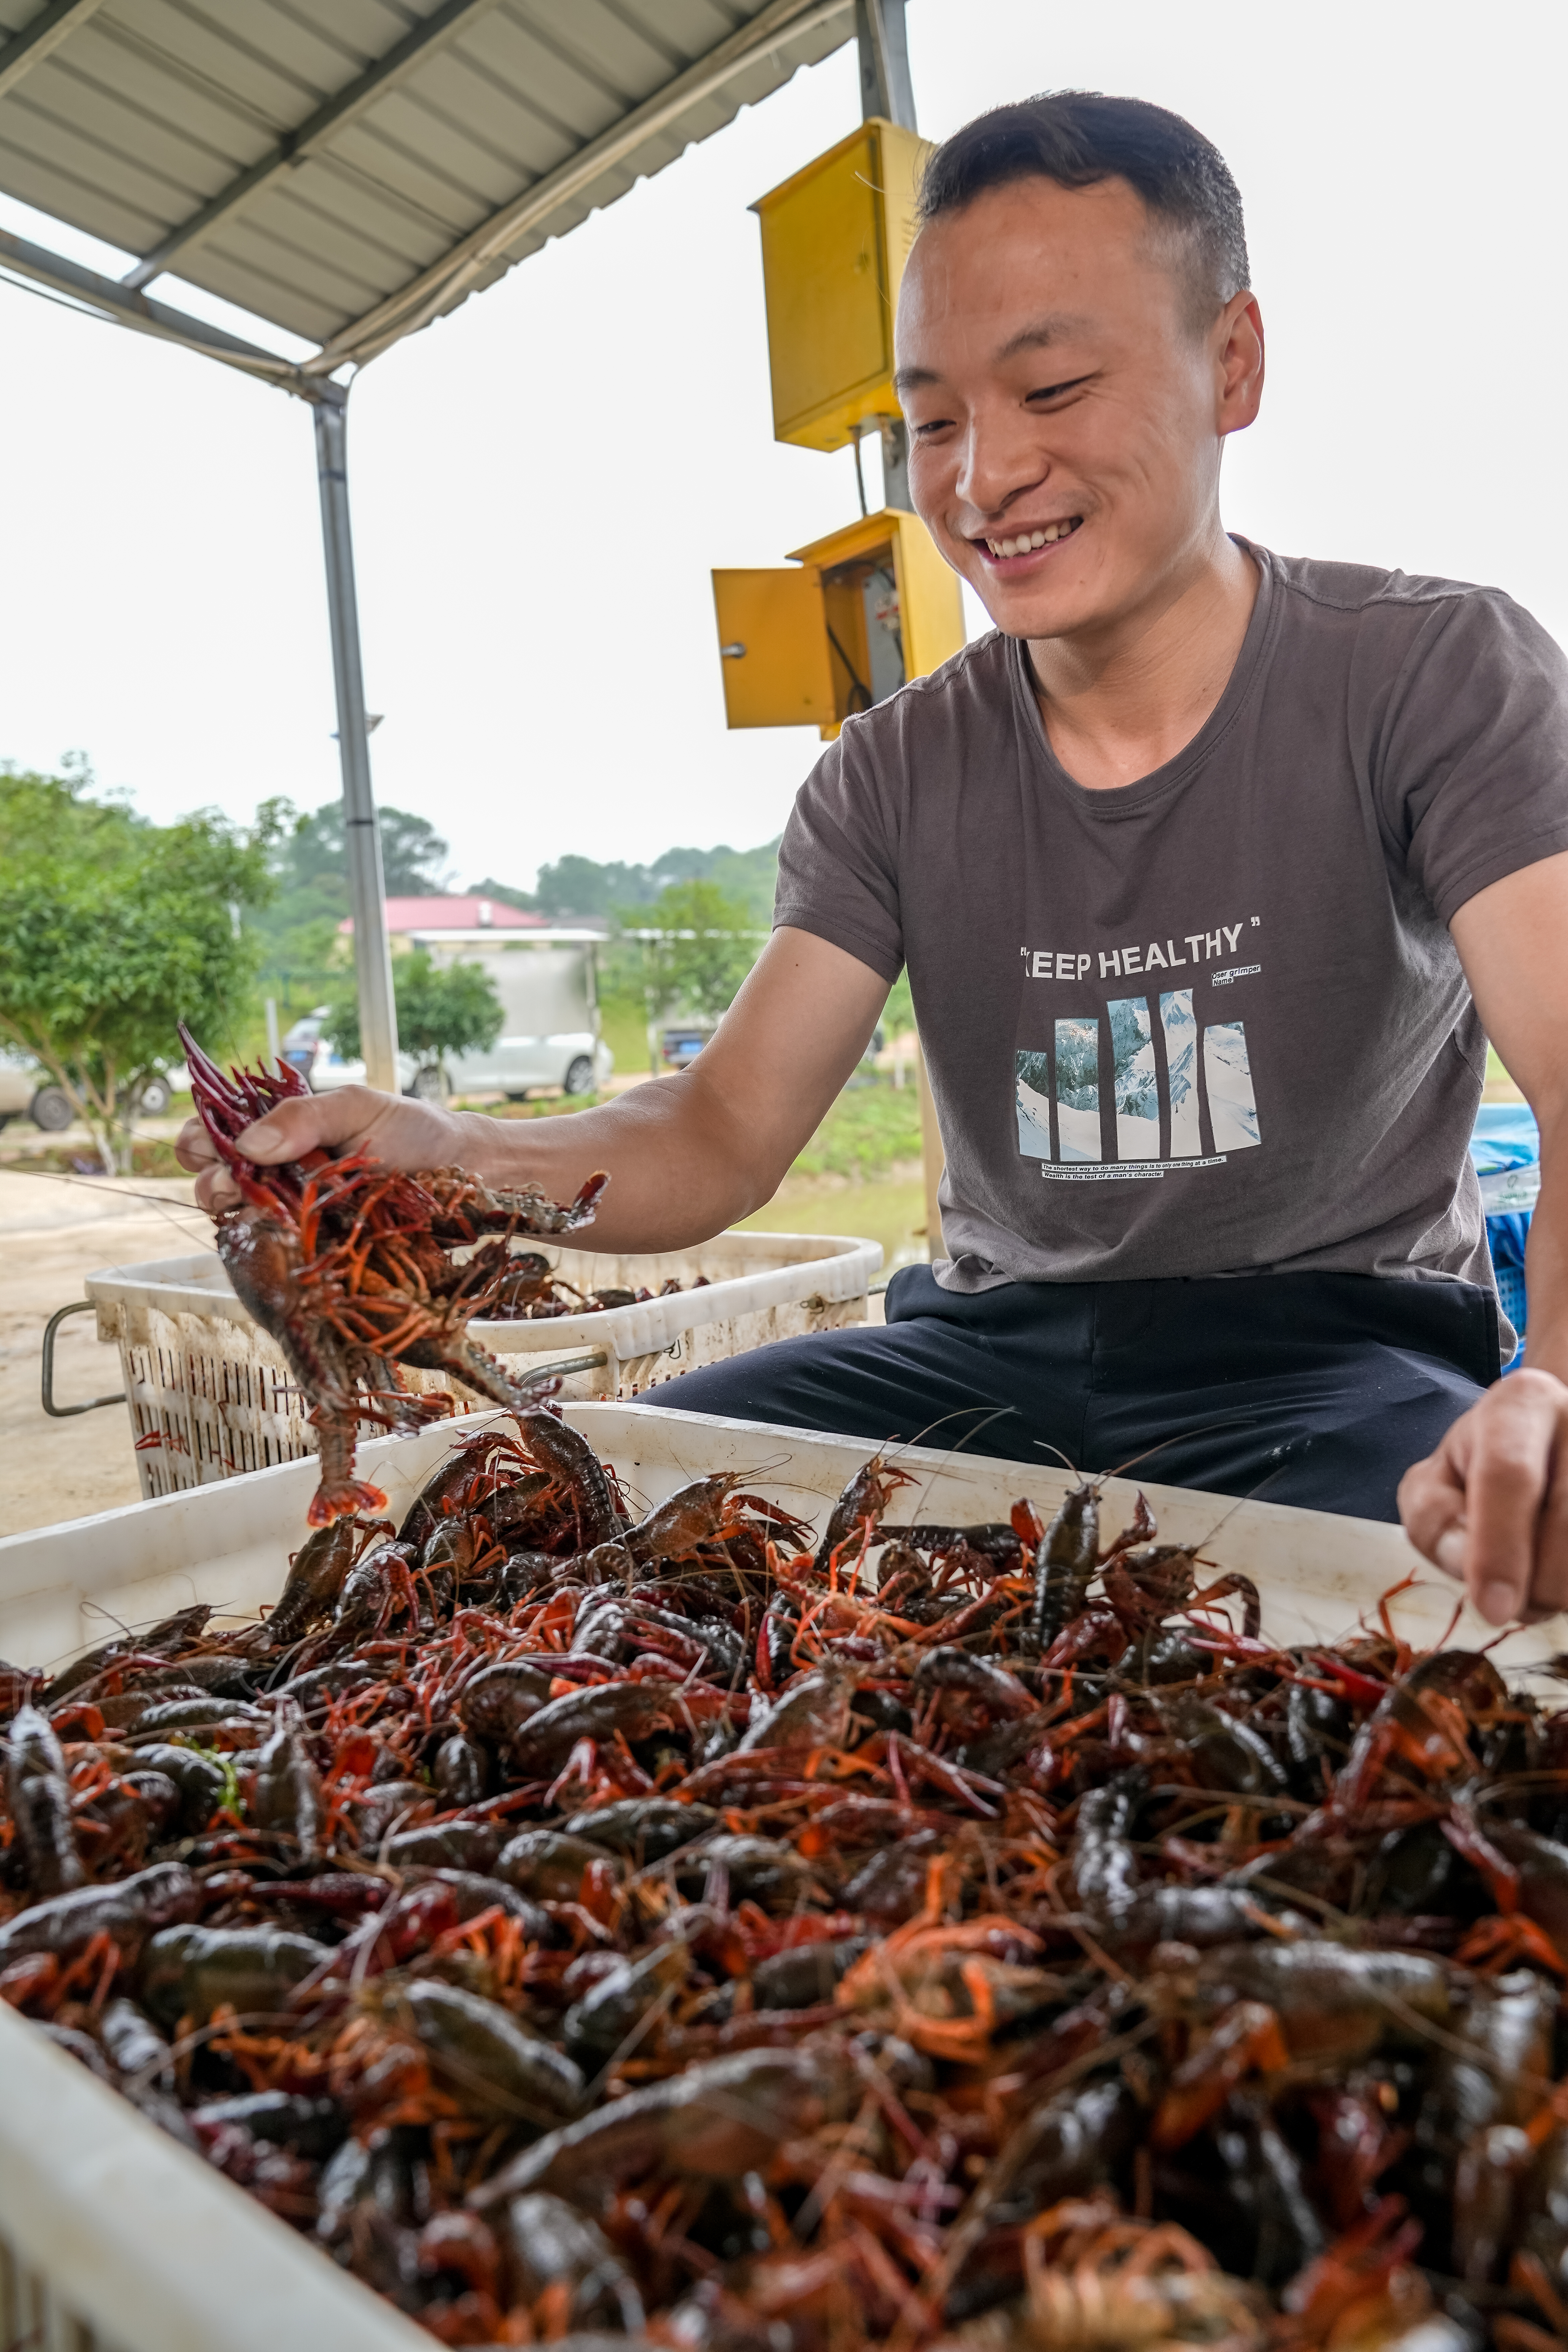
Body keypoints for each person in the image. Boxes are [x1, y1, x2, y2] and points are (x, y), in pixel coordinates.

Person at [180, 93, 1568, 1631]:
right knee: (591, 1514)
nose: (983, 477)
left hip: (1337, 1358)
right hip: (985, 1357)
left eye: (1050, 387)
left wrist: (1554, 1385)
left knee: (1481, 1584)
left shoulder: (1435, 673)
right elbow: (715, 1130)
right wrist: (439, 1153)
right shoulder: (891, 771)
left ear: (1229, 361)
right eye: (934, 419)